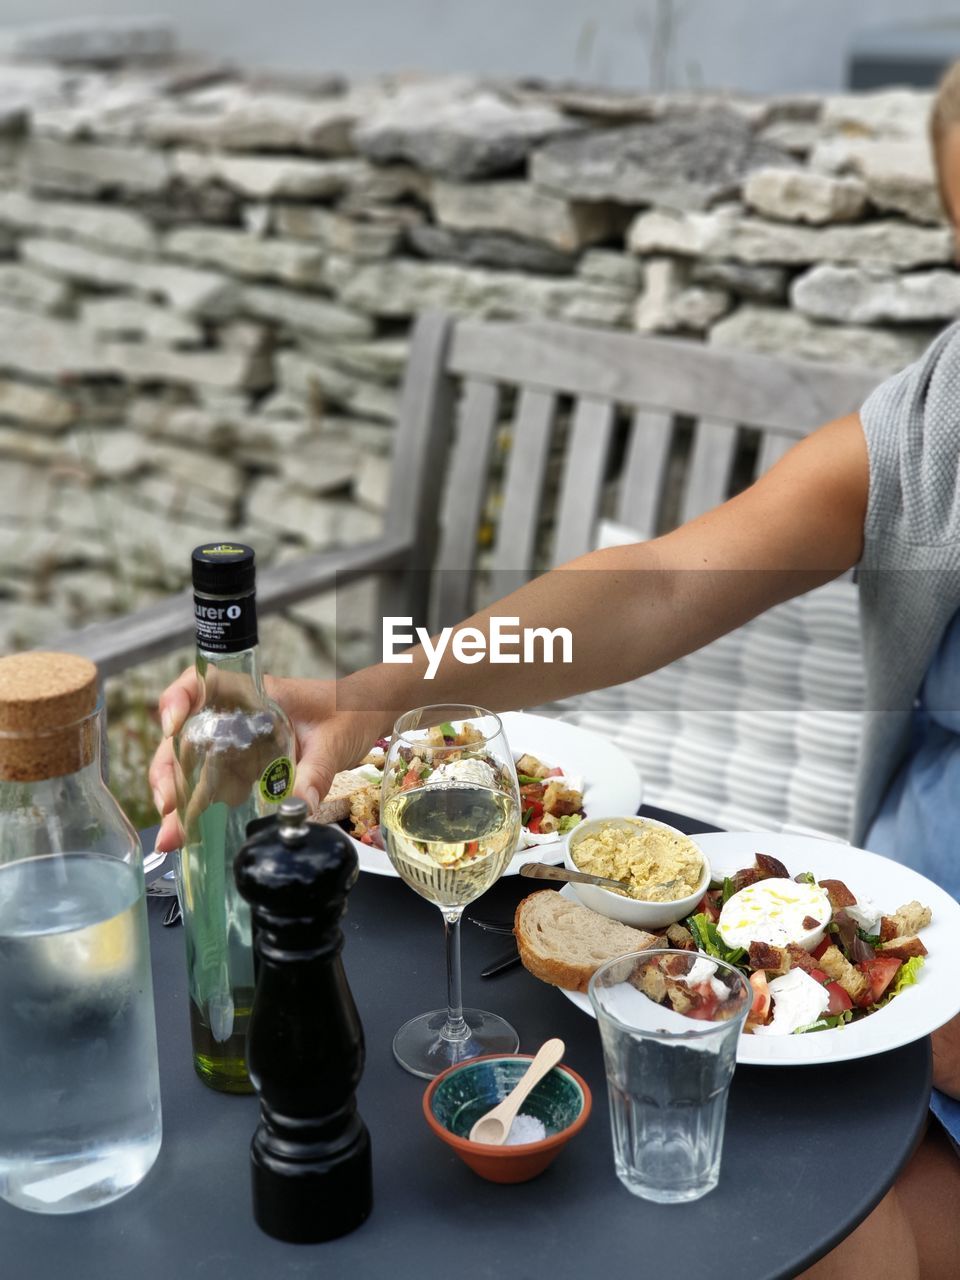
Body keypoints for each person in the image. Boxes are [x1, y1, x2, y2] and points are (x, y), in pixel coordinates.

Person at [150, 65, 960, 1280]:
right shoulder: (944, 417)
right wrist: (374, 696)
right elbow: (665, 583)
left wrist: (928, 1035)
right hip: (852, 1014)